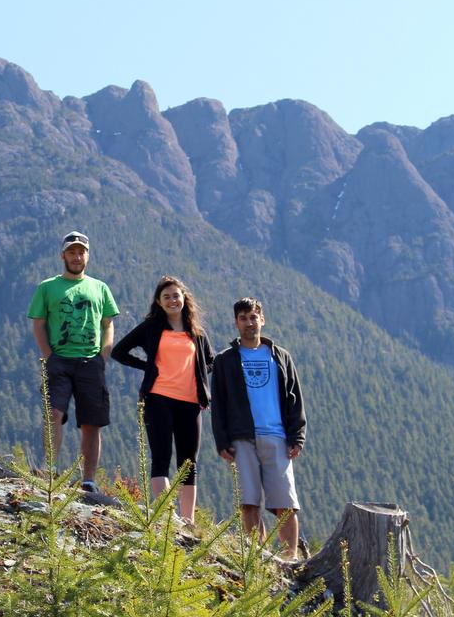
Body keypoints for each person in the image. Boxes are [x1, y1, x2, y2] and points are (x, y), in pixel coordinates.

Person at [112, 276, 215, 522]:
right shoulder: (151, 327)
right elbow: (119, 351)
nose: (172, 300)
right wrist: (147, 367)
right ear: (159, 302)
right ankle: (166, 518)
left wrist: (198, 374)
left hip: (190, 402)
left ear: (184, 298)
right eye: (166, 297)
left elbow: (209, 361)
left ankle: (187, 521)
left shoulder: (196, 332)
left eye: (175, 295)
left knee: (188, 463)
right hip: (158, 398)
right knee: (161, 457)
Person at [210, 296, 307, 560]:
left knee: (285, 504)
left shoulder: (281, 357)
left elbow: (294, 397)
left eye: (253, 317)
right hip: (242, 439)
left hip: (277, 437)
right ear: (235, 323)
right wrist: (222, 441)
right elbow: (218, 404)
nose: (249, 323)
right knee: (248, 502)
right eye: (243, 318)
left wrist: (297, 436)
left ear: (262, 320)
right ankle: (257, 558)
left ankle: (290, 559)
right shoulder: (225, 360)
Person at [27, 231, 118, 492]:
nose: (77, 257)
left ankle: (88, 480)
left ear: (87, 256)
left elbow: (108, 324)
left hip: (91, 362)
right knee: (53, 414)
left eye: (81, 252)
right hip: (59, 361)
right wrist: (49, 356)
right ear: (62, 255)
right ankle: (50, 470)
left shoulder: (100, 287)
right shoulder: (47, 287)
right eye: (72, 252)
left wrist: (104, 355)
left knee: (92, 422)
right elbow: (39, 325)